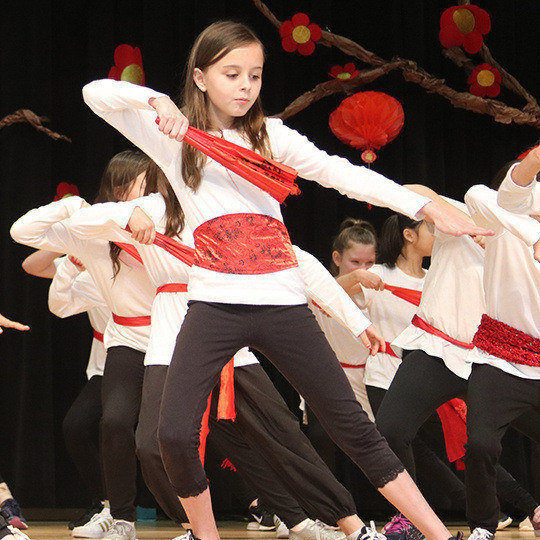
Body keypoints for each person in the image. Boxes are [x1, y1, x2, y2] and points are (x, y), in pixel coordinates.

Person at [82, 20, 490, 540]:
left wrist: (424, 204)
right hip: (213, 304)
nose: (245, 85)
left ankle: (437, 534)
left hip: (282, 301)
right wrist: (154, 100)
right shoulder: (174, 137)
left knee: (353, 428)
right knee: (173, 434)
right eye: (231, 73)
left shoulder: (270, 137)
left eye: (254, 74)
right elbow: (94, 94)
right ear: (201, 76)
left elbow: (343, 173)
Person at [463, 182, 540, 540]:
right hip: (499, 361)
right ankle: (483, 524)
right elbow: (475, 194)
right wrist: (532, 231)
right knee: (480, 444)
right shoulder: (501, 227)